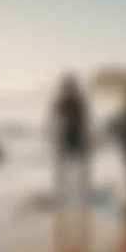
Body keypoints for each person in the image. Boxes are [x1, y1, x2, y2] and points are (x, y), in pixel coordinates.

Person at [50, 74, 90, 207]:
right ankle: (73, 194)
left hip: (72, 136)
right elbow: (55, 120)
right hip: (71, 136)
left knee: (69, 168)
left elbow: (55, 120)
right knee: (72, 168)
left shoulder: (70, 101)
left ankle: (67, 194)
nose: (69, 89)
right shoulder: (72, 101)